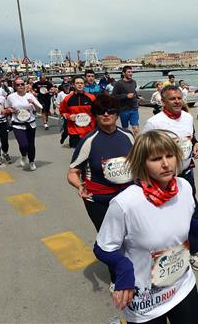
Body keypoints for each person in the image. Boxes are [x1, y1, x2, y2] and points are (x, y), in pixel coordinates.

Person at [93, 130, 198, 324]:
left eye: (169, 156)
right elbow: (103, 247)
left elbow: (181, 223)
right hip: (146, 299)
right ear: (142, 163)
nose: (166, 164)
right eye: (156, 159)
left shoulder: (184, 187)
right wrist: (123, 268)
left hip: (182, 286)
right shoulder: (126, 203)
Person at [67, 94, 134, 284]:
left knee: (131, 237)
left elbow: (139, 163)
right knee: (112, 242)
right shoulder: (89, 140)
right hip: (98, 199)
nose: (106, 114)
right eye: (101, 111)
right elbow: (72, 172)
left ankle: (134, 271)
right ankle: (118, 280)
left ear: (117, 113)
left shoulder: (127, 136)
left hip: (127, 197)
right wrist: (80, 186)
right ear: (95, 115)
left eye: (111, 110)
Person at [143, 85, 198, 271]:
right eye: (173, 99)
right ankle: (166, 254)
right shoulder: (154, 123)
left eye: (179, 98)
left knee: (191, 210)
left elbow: (192, 138)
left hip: (186, 174)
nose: (178, 101)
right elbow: (144, 151)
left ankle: (193, 252)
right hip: (163, 180)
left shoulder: (187, 117)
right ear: (163, 102)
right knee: (165, 216)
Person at [6, 77, 43, 171]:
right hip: (17, 124)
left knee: (31, 145)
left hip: (30, 123)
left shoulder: (30, 96)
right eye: (18, 85)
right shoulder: (11, 97)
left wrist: (33, 103)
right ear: (15, 86)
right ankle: (23, 155)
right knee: (23, 145)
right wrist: (12, 110)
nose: (20, 86)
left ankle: (31, 162)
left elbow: (39, 109)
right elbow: (7, 108)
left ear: (25, 85)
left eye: (22, 84)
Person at [59, 76, 96, 148]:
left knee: (90, 155)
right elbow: (62, 112)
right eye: (77, 83)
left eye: (82, 83)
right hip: (74, 131)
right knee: (77, 156)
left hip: (89, 131)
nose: (80, 85)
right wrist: (69, 116)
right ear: (73, 85)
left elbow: (97, 113)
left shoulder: (92, 98)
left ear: (84, 85)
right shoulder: (67, 99)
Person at [112, 66, 140, 136]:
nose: (131, 73)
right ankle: (128, 143)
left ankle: (137, 145)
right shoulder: (118, 83)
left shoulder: (134, 82)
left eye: (131, 72)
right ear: (124, 73)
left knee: (135, 128)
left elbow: (133, 91)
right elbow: (114, 96)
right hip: (124, 110)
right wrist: (126, 96)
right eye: (129, 72)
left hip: (134, 108)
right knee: (125, 129)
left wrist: (137, 96)